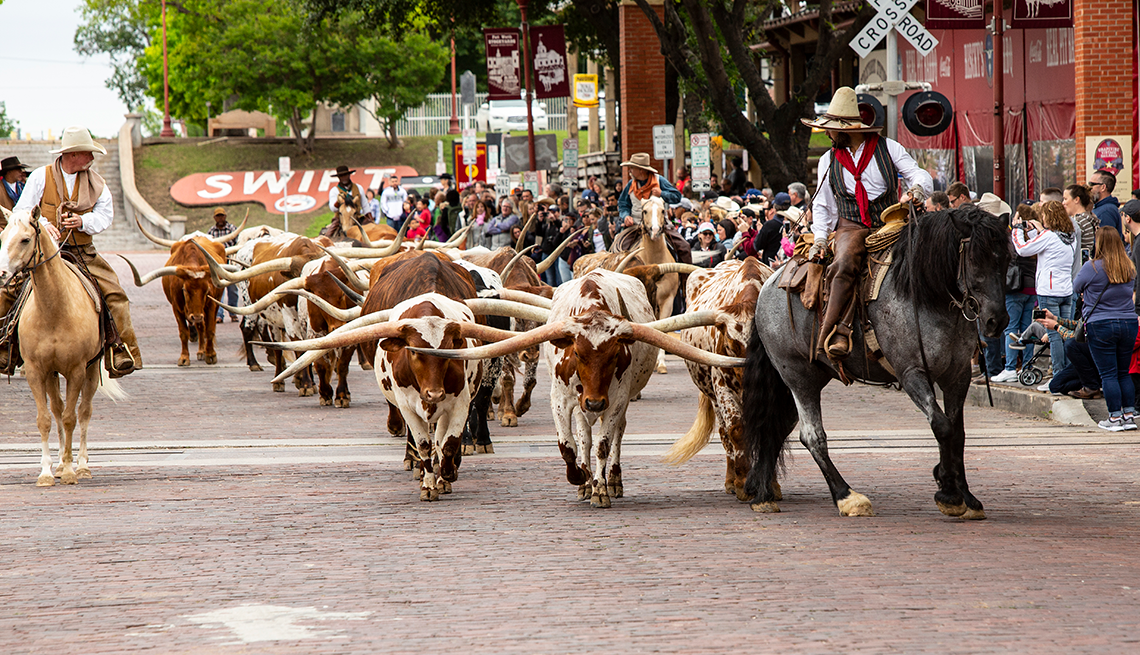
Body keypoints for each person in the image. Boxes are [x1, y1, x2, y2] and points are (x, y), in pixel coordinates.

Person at [805, 87, 933, 358]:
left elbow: (917, 173)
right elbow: (822, 204)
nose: (827, 134)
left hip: (892, 222)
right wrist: (819, 237)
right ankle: (836, 331)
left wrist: (918, 190)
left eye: (830, 129)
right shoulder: (828, 159)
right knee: (842, 265)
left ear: (845, 130)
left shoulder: (889, 147)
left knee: (930, 256)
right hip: (851, 226)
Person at [6, 126, 140, 377]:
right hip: (42, 254)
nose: (92, 158)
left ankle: (120, 349)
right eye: (87, 152)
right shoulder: (39, 177)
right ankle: (6, 346)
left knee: (115, 294)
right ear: (73, 154)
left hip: (82, 251)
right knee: (10, 289)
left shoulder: (97, 182)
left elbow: (105, 216)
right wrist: (44, 226)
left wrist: (83, 222)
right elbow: (21, 212)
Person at [1060, 227, 1138, 430]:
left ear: (1099, 243)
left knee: (1108, 374)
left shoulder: (1092, 267)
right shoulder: (1128, 266)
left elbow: (1076, 287)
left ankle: (1114, 418)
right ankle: (1129, 415)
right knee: (1123, 372)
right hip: (1129, 323)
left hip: (1101, 324)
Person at [1003, 200, 1077, 381]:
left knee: (1053, 335)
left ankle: (1058, 376)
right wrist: (1039, 231)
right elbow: (1048, 243)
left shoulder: (1049, 236)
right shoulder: (1070, 236)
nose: (1041, 218)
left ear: (1049, 216)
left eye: (1044, 215)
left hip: (1048, 292)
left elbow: (1022, 249)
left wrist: (1017, 229)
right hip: (1066, 291)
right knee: (1064, 333)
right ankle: (1066, 373)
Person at [208, 207, 240, 323]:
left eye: (222, 215)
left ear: (225, 216)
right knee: (219, 288)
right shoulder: (211, 232)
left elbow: (238, 243)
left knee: (233, 290)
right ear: (214, 218)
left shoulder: (232, 229)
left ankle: (233, 312)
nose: (220, 218)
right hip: (217, 264)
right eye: (218, 216)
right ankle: (219, 315)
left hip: (229, 262)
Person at [322, 165, 365, 237]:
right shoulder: (334, 191)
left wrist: (369, 216)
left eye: (345, 175)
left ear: (349, 175)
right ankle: (326, 242)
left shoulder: (358, 188)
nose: (344, 178)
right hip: (340, 218)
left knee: (371, 229)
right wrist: (338, 201)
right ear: (339, 178)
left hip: (356, 216)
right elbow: (333, 208)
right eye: (341, 176)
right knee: (329, 235)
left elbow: (365, 205)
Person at [1063, 183, 1097, 262]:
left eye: (1065, 199)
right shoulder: (1087, 217)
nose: (1063, 203)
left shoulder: (1079, 221)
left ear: (1076, 200)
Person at [1089, 169, 1121, 236]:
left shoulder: (1106, 211)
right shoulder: (1101, 208)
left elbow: (1106, 243)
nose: (1089, 188)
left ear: (1103, 187)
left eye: (1092, 184)